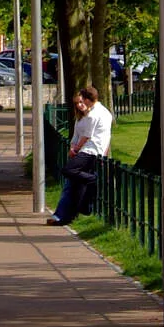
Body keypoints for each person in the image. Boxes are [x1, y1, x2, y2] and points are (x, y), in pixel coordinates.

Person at [49, 84, 114, 226]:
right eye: (77, 103)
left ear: (87, 99)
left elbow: (88, 136)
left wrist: (77, 149)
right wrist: (73, 147)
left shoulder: (94, 114)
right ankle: (65, 215)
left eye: (82, 101)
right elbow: (77, 136)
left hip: (89, 152)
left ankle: (67, 213)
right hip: (84, 151)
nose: (80, 104)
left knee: (70, 174)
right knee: (74, 185)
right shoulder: (84, 117)